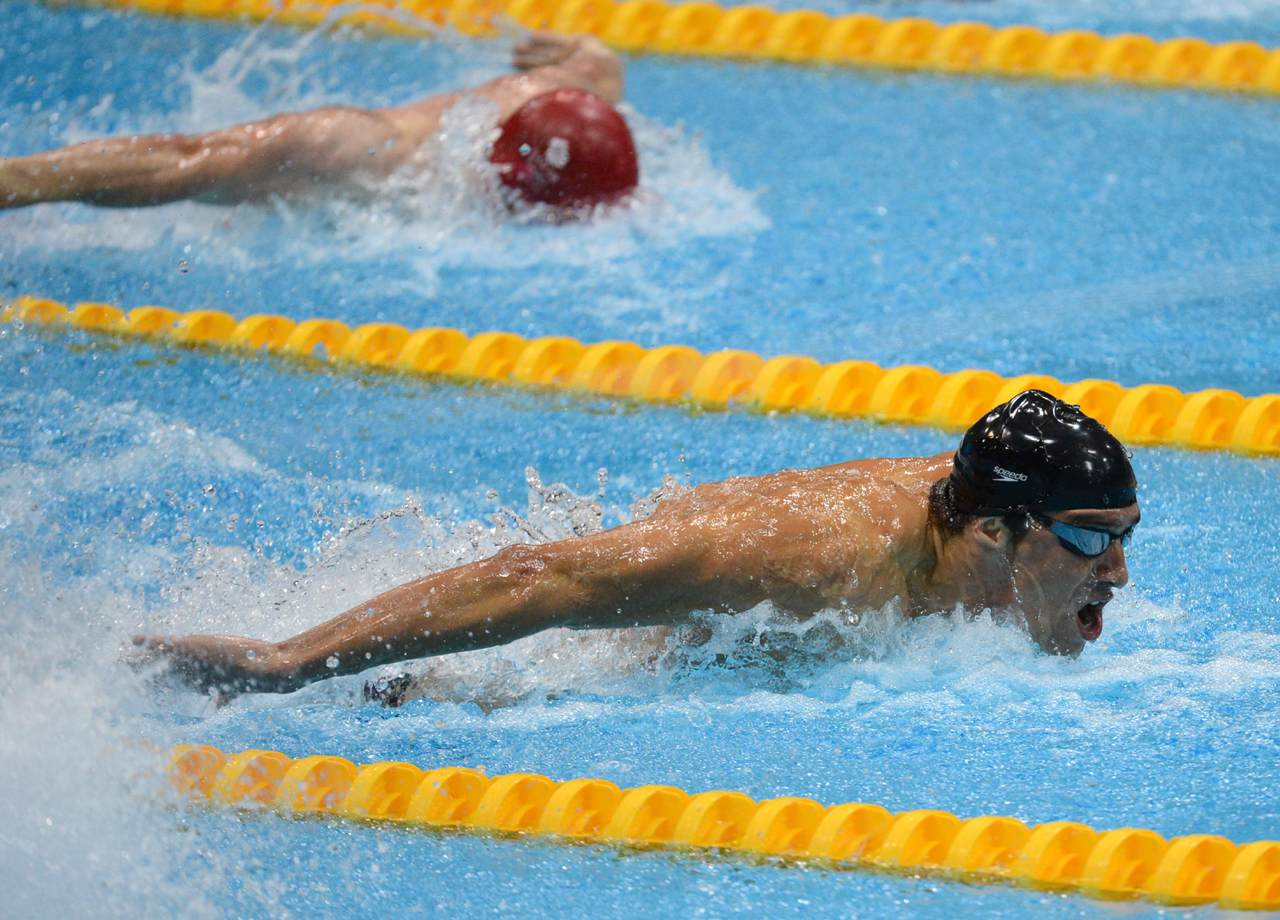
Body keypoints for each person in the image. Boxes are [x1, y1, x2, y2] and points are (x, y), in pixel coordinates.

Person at [132, 390, 1141, 695]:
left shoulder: (992, 522)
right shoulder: (809, 564)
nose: (1118, 571)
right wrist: (288, 660)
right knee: (469, 687)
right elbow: (547, 575)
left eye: (1123, 537)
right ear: (996, 529)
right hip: (642, 621)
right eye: (1092, 539)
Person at [0, 31, 637, 213]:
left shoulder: (582, 90)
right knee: (207, 159)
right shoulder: (357, 148)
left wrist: (592, 50)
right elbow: (183, 154)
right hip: (313, 170)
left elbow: (600, 64)